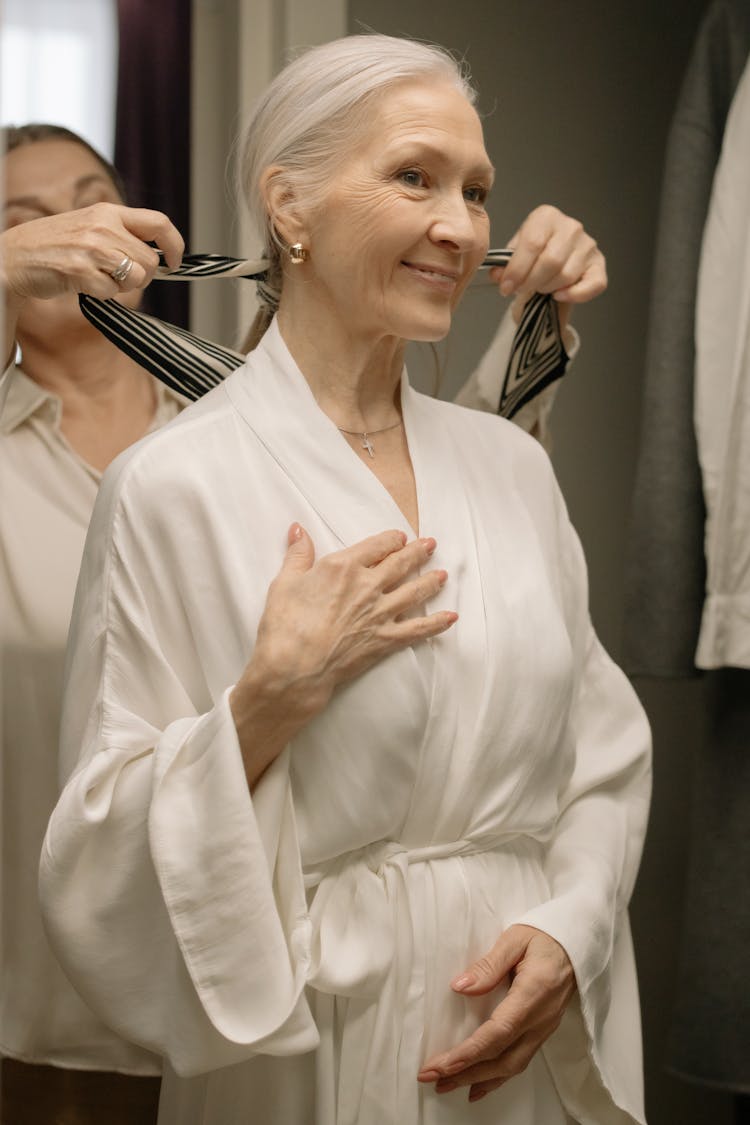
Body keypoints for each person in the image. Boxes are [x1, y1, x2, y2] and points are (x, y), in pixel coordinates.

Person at [37, 33, 649, 1125]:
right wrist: (264, 701)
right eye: (413, 176)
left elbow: (600, 754)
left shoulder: (509, 469)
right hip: (306, 1049)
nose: (459, 225)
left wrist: (572, 929)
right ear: (290, 207)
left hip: (515, 1040)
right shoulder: (171, 488)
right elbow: (99, 849)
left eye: (475, 189)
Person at [0, 123, 184, 1125]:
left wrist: (533, 325)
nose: (70, 231)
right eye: (28, 220)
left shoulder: (236, 429)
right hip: (20, 1003)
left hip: (216, 981)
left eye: (89, 198)